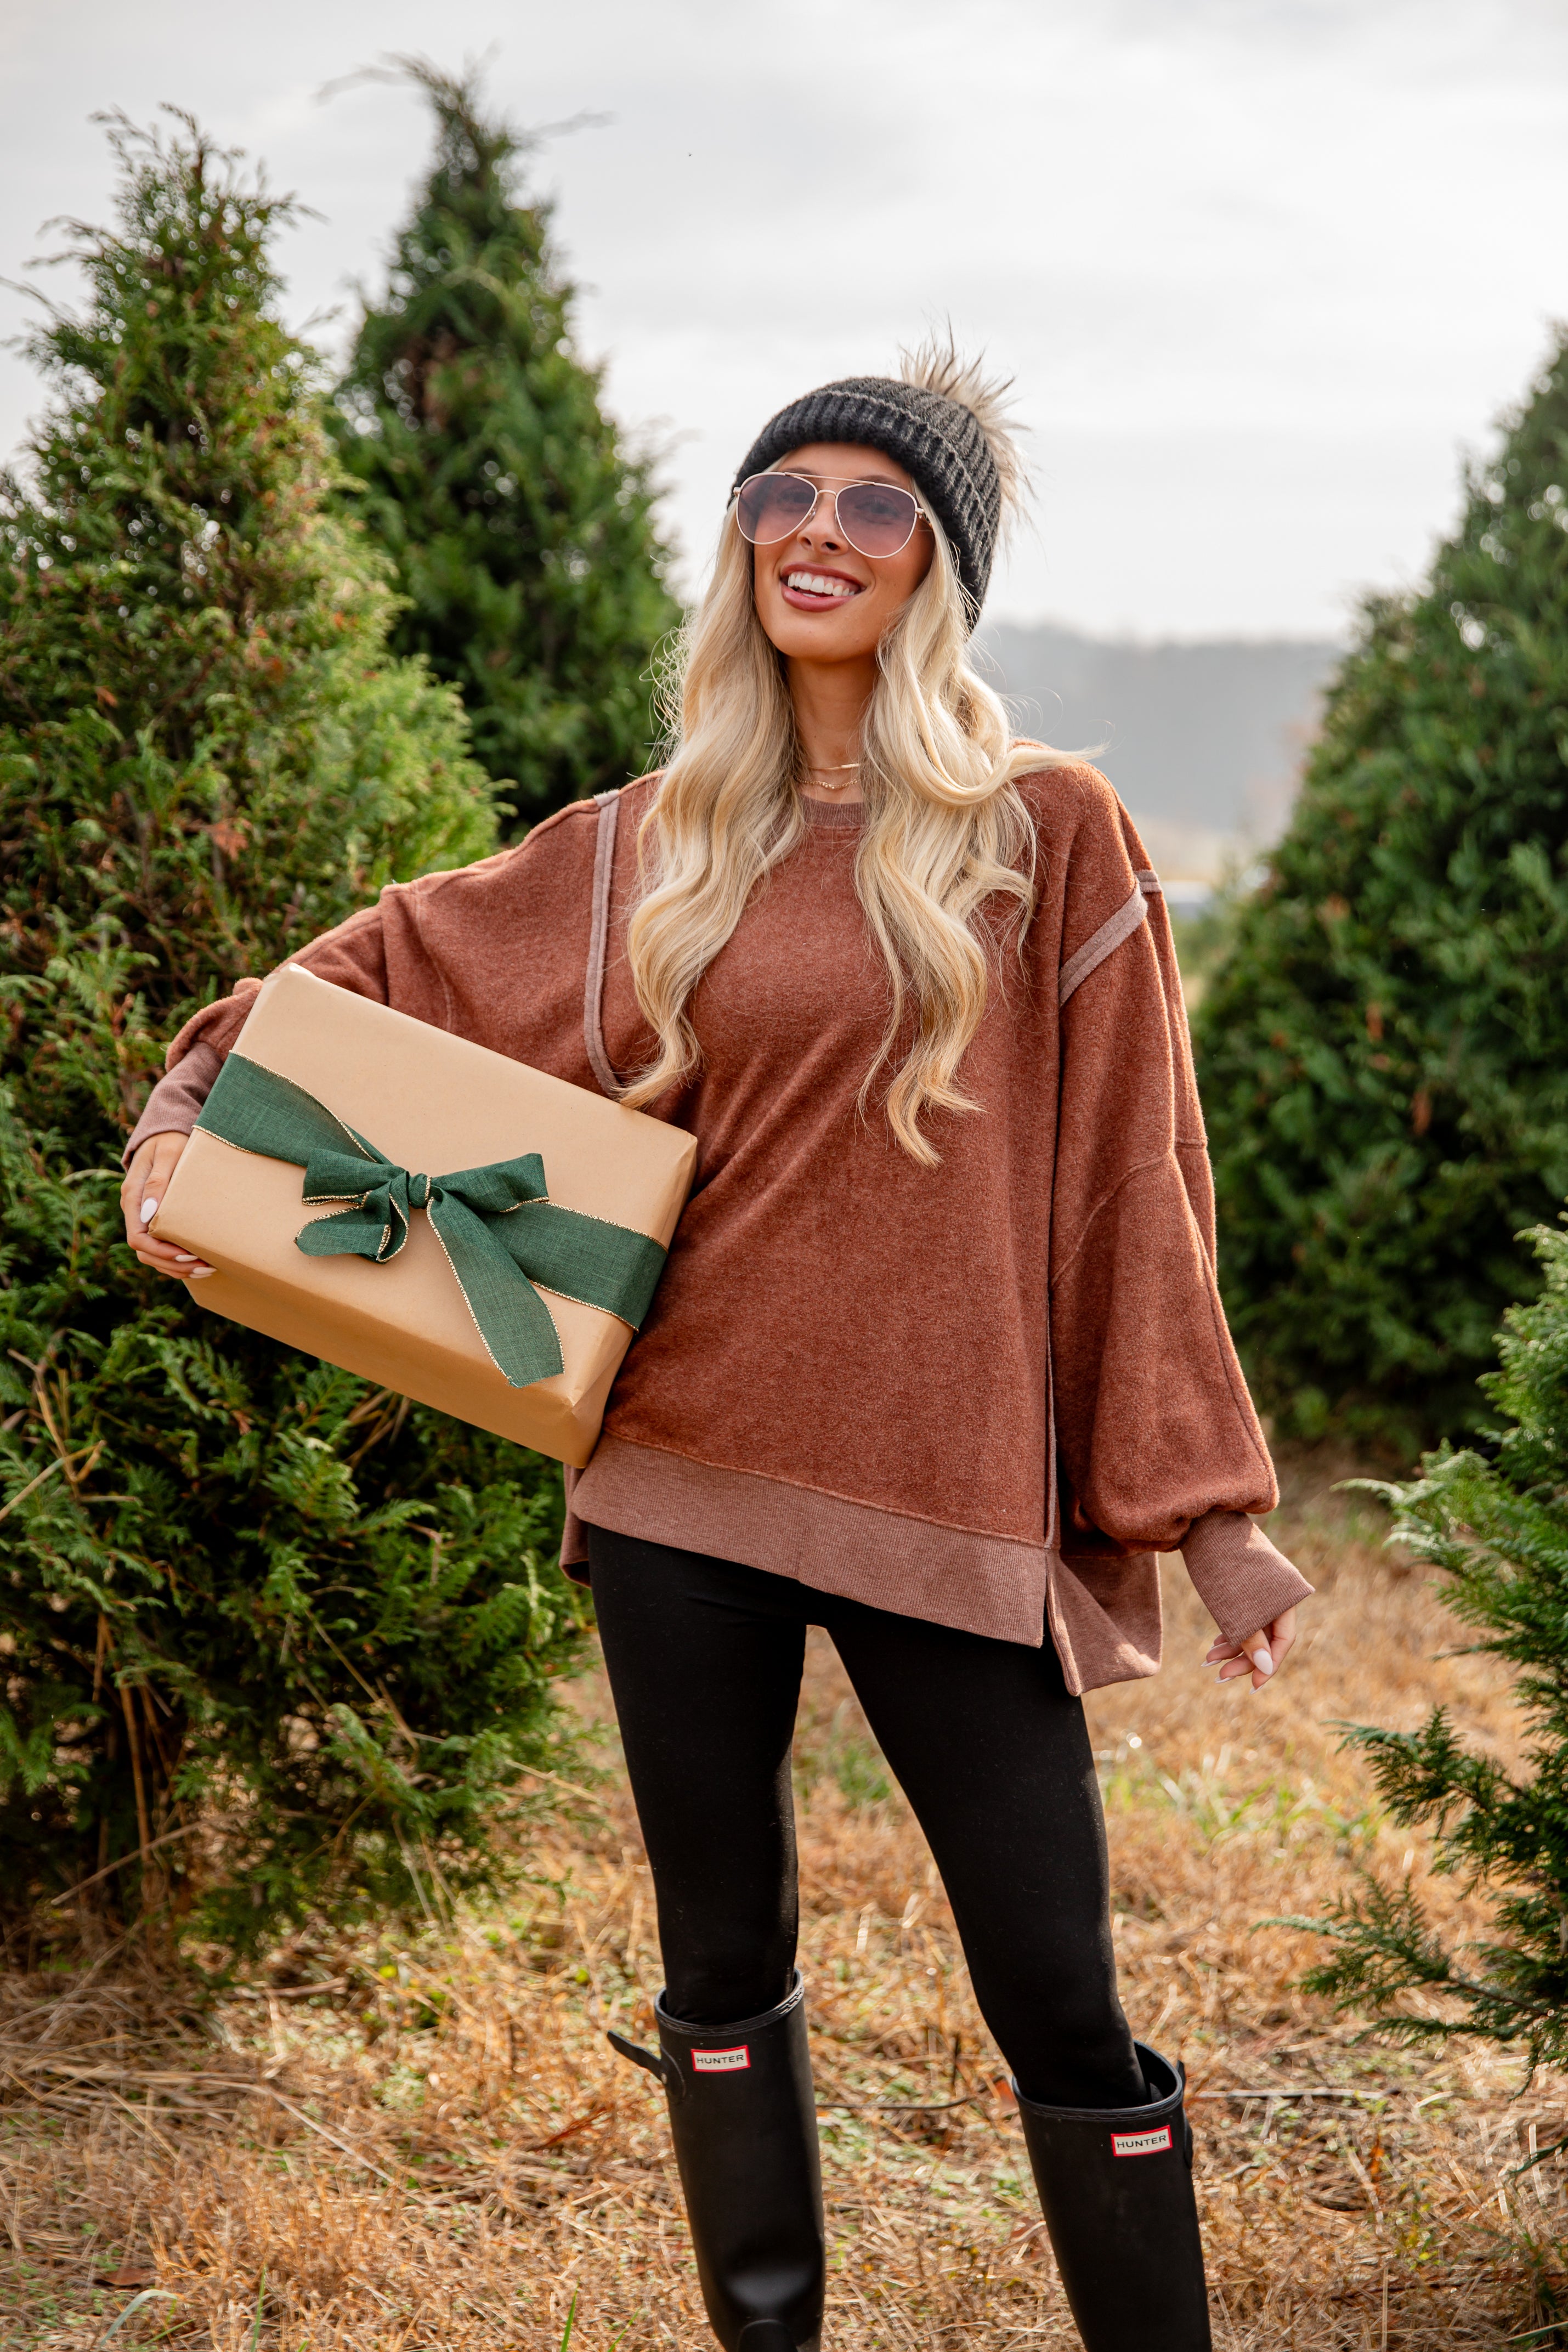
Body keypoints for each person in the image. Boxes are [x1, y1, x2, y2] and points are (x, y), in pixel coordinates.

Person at [121, 339, 1312, 2352]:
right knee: (718, 1965)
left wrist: (1206, 1514)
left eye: (871, 505)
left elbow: (1136, 1190)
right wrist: (193, 1122)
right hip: (676, 1481)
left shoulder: (1048, 833)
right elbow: (376, 968)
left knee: (1060, 1992)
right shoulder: (646, 843)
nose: (814, 535)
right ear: (737, 547)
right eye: (780, 497)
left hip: (940, 1498)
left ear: (939, 569)